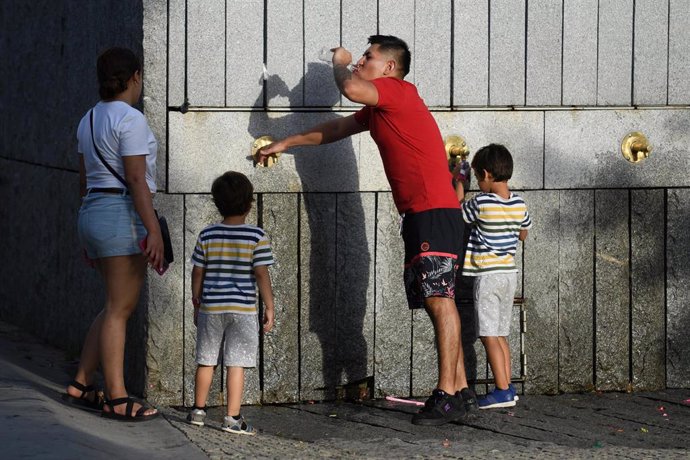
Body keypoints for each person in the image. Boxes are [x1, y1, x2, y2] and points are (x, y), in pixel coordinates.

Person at [258, 35, 474, 425]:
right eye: (357, 56)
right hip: (426, 212)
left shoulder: (396, 91)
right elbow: (334, 130)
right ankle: (458, 389)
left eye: (367, 57)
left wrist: (340, 62)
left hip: (432, 209)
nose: (359, 60)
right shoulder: (381, 110)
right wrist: (285, 142)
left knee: (439, 299)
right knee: (436, 298)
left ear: (389, 68)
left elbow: (351, 87)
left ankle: (447, 394)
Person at [63, 47, 163, 421]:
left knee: (111, 305)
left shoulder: (87, 118)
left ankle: (82, 382)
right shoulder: (131, 119)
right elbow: (136, 178)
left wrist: (90, 230)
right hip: (121, 214)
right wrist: (152, 229)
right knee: (120, 310)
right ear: (135, 76)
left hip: (92, 212)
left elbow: (83, 178)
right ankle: (117, 397)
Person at [187, 171, 275, 435]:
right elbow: (261, 273)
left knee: (206, 360)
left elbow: (198, 271)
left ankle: (198, 411)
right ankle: (233, 418)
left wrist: (196, 300)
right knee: (236, 363)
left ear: (217, 203)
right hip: (243, 310)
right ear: (249, 204)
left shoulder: (207, 235)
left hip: (211, 307)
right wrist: (269, 305)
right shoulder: (257, 237)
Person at [456, 144, 532, 409]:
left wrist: (460, 181)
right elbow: (523, 233)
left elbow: (458, 210)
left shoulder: (481, 202)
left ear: (486, 174)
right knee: (501, 334)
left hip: (487, 276)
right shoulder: (519, 203)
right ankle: (508, 387)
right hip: (509, 274)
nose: (479, 183)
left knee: (488, 334)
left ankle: (501, 390)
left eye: (478, 178)